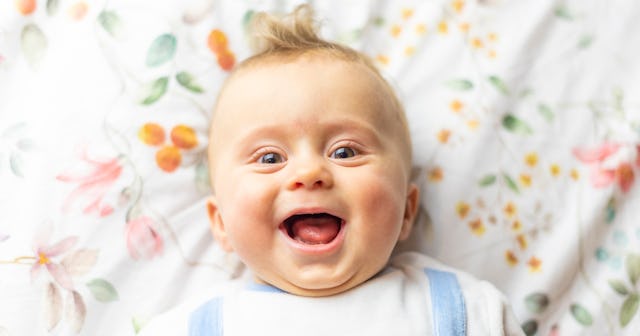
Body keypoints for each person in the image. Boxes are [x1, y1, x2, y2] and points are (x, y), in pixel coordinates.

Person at [140, 5, 524, 335]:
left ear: (407, 210)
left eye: (344, 151)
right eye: (270, 158)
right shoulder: (189, 327)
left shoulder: (467, 311)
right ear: (220, 221)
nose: (309, 171)